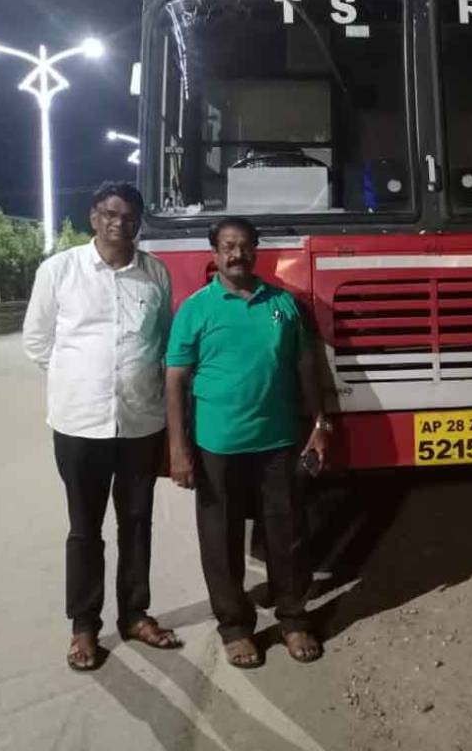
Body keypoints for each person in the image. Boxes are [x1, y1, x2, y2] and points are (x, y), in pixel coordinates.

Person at [23, 181, 181, 671]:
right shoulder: (59, 270)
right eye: (110, 214)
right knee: (85, 528)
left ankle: (135, 614)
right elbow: (37, 341)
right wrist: (80, 379)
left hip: (140, 423)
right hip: (79, 425)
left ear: (139, 223)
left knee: (136, 523)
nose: (119, 223)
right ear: (94, 217)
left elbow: (163, 341)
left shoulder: (155, 274)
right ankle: (84, 626)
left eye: (129, 217)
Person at [164, 216, 329, 668]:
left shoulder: (283, 304)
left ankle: (293, 619)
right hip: (217, 446)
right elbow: (175, 379)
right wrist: (178, 449)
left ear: (257, 251)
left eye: (245, 246)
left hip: (279, 441)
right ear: (214, 253)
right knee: (220, 540)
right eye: (228, 246)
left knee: (288, 534)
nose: (237, 254)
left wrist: (320, 423)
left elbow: (305, 368)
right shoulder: (196, 309)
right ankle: (236, 628)